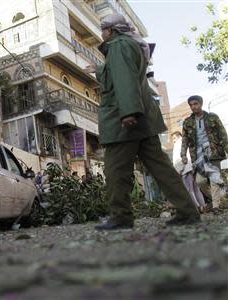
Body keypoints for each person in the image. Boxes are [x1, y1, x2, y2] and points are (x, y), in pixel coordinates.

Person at [84, 14, 199, 230]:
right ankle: (188, 211)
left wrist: (129, 112)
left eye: (103, 29)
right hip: (143, 118)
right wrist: (98, 70)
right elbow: (118, 76)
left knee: (115, 170)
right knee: (162, 168)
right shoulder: (130, 45)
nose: (101, 34)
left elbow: (125, 79)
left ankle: (121, 216)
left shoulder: (118, 46)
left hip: (125, 119)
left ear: (111, 30)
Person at [181, 95, 228, 215]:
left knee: (213, 178)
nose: (193, 107)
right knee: (200, 181)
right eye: (191, 105)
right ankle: (219, 200)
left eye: (195, 104)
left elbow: (223, 134)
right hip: (197, 156)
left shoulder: (212, 117)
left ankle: (216, 206)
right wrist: (183, 155)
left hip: (213, 152)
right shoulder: (187, 122)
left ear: (201, 104)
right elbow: (185, 140)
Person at [172, 131, 206, 212]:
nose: (173, 140)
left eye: (173, 138)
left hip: (186, 169)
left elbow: (179, 159)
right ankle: (203, 206)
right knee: (196, 189)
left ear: (178, 136)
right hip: (193, 168)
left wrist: (179, 170)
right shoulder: (187, 142)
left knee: (189, 190)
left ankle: (197, 207)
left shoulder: (178, 144)